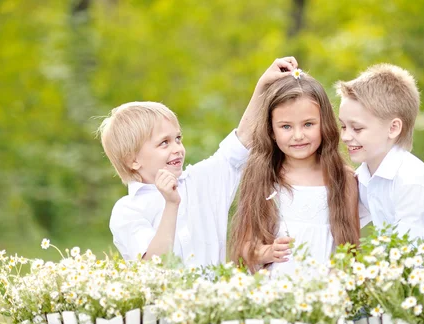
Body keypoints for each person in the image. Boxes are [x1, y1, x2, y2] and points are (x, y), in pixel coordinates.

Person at [98, 57, 299, 265]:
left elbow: (241, 143)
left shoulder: (200, 181)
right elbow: (153, 266)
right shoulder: (128, 210)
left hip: (213, 297)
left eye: (178, 138)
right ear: (133, 160)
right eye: (164, 143)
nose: (177, 148)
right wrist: (171, 204)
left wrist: (262, 86)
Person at [229, 70, 361, 276]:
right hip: (275, 297)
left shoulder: (342, 178)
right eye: (286, 127)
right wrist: (267, 252)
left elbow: (352, 250)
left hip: (325, 296)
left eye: (308, 124)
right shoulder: (263, 176)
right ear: (271, 130)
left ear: (324, 123)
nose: (298, 136)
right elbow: (244, 248)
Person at [336, 63, 424, 243]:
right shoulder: (365, 175)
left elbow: (404, 250)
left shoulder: (411, 182)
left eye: (357, 128)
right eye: (343, 126)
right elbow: (340, 220)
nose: (346, 136)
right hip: (410, 265)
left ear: (393, 128)